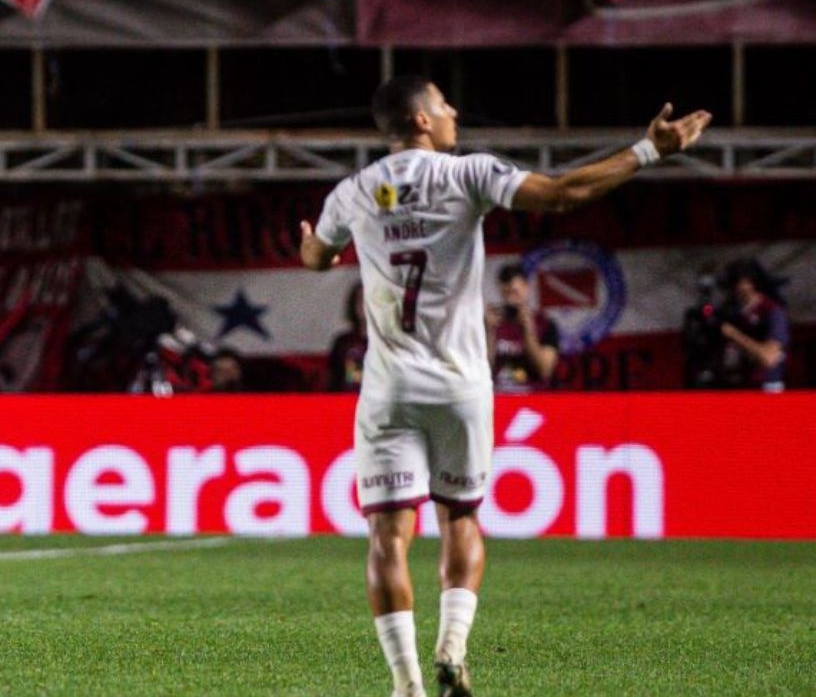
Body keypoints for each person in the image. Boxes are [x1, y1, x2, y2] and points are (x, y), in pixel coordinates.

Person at [299, 75, 710, 697]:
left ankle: (406, 685)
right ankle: (452, 646)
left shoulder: (353, 192)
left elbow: (315, 256)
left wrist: (316, 247)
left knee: (387, 536)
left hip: (389, 390)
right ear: (420, 120)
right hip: (461, 387)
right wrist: (649, 150)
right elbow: (564, 193)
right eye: (443, 104)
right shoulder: (468, 174)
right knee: (461, 518)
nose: (453, 112)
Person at [486, 263, 560, 392]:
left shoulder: (546, 324)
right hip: (500, 395)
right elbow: (484, 369)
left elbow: (544, 370)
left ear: (526, 287)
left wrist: (528, 328)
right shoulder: (492, 323)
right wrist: (489, 332)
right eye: (506, 293)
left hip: (534, 396)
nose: (511, 299)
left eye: (515, 292)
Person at [718, 258, 789, 391]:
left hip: (767, 387)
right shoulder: (733, 314)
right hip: (739, 387)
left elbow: (769, 358)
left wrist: (735, 335)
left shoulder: (771, 312)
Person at [328, 283, 369, 392]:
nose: (365, 305)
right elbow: (333, 381)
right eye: (361, 300)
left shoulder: (393, 342)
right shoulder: (343, 343)